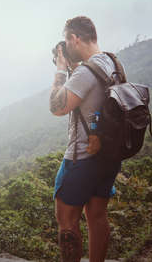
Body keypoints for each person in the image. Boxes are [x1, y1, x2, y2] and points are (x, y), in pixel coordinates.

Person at [49, 16, 122, 262]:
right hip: (108, 156)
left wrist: (61, 70)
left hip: (82, 158)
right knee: (97, 216)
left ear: (74, 38)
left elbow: (57, 107)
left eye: (67, 41)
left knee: (67, 221)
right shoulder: (112, 63)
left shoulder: (85, 71)